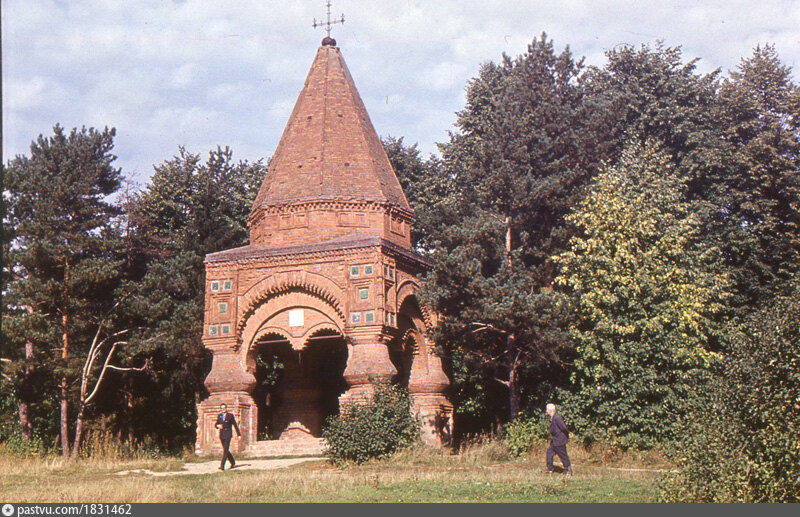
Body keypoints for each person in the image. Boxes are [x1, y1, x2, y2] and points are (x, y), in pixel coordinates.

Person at [545, 403, 573, 475]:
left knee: (563, 456)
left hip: (560, 441)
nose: (546, 411)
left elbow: (563, 427)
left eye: (547, 409)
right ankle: (550, 469)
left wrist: (568, 434)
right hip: (554, 441)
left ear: (550, 410)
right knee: (549, 454)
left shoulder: (557, 418)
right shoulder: (552, 418)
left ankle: (568, 470)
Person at [215, 403, 241, 471]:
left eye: (224, 408)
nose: (223, 409)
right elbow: (216, 424)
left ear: (226, 408)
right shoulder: (219, 416)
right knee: (226, 450)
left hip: (228, 435)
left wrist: (239, 434)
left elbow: (235, 425)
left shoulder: (230, 416)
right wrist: (217, 426)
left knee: (225, 450)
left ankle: (222, 465)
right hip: (221, 435)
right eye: (221, 408)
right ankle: (232, 462)